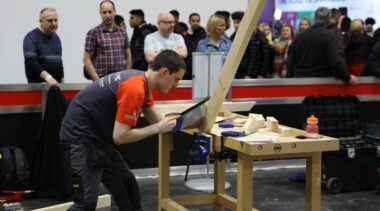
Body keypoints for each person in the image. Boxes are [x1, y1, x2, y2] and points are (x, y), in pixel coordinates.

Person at [60, 50, 186, 211]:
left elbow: (159, 121)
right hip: (79, 139)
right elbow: (120, 136)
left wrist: (188, 122)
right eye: (176, 80)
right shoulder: (135, 88)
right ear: (164, 72)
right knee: (85, 204)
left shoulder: (142, 81)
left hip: (98, 137)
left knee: (127, 186)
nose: (176, 86)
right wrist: (157, 128)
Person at [287, 7, 357, 85]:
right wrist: (348, 77)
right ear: (328, 19)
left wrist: (289, 80)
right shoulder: (329, 36)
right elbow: (335, 62)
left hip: (299, 81)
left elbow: (291, 61)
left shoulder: (299, 36)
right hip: (321, 83)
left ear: (315, 18)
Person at [83, 0, 132, 81]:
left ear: (115, 12)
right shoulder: (93, 33)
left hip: (119, 81)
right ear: (100, 14)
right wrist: (97, 80)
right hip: (102, 81)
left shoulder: (122, 32)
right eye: (104, 12)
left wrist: (126, 78)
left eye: (110, 12)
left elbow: (128, 57)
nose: (107, 15)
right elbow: (86, 59)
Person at [23, 8, 63, 85]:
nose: (54, 23)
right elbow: (31, 62)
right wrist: (48, 77)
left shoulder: (56, 38)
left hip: (55, 87)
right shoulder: (31, 37)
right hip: (38, 88)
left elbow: (59, 63)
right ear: (41, 21)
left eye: (56, 20)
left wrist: (62, 82)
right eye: (50, 20)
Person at [230, 11, 270, 78]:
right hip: (238, 72)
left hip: (251, 73)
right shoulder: (233, 36)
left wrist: (257, 73)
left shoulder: (256, 36)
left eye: (238, 22)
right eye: (234, 22)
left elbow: (255, 57)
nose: (235, 25)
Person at [184, 13, 206, 79]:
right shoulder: (185, 34)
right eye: (193, 21)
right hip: (187, 65)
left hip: (199, 65)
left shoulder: (203, 33)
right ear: (189, 21)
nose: (195, 23)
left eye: (197, 21)